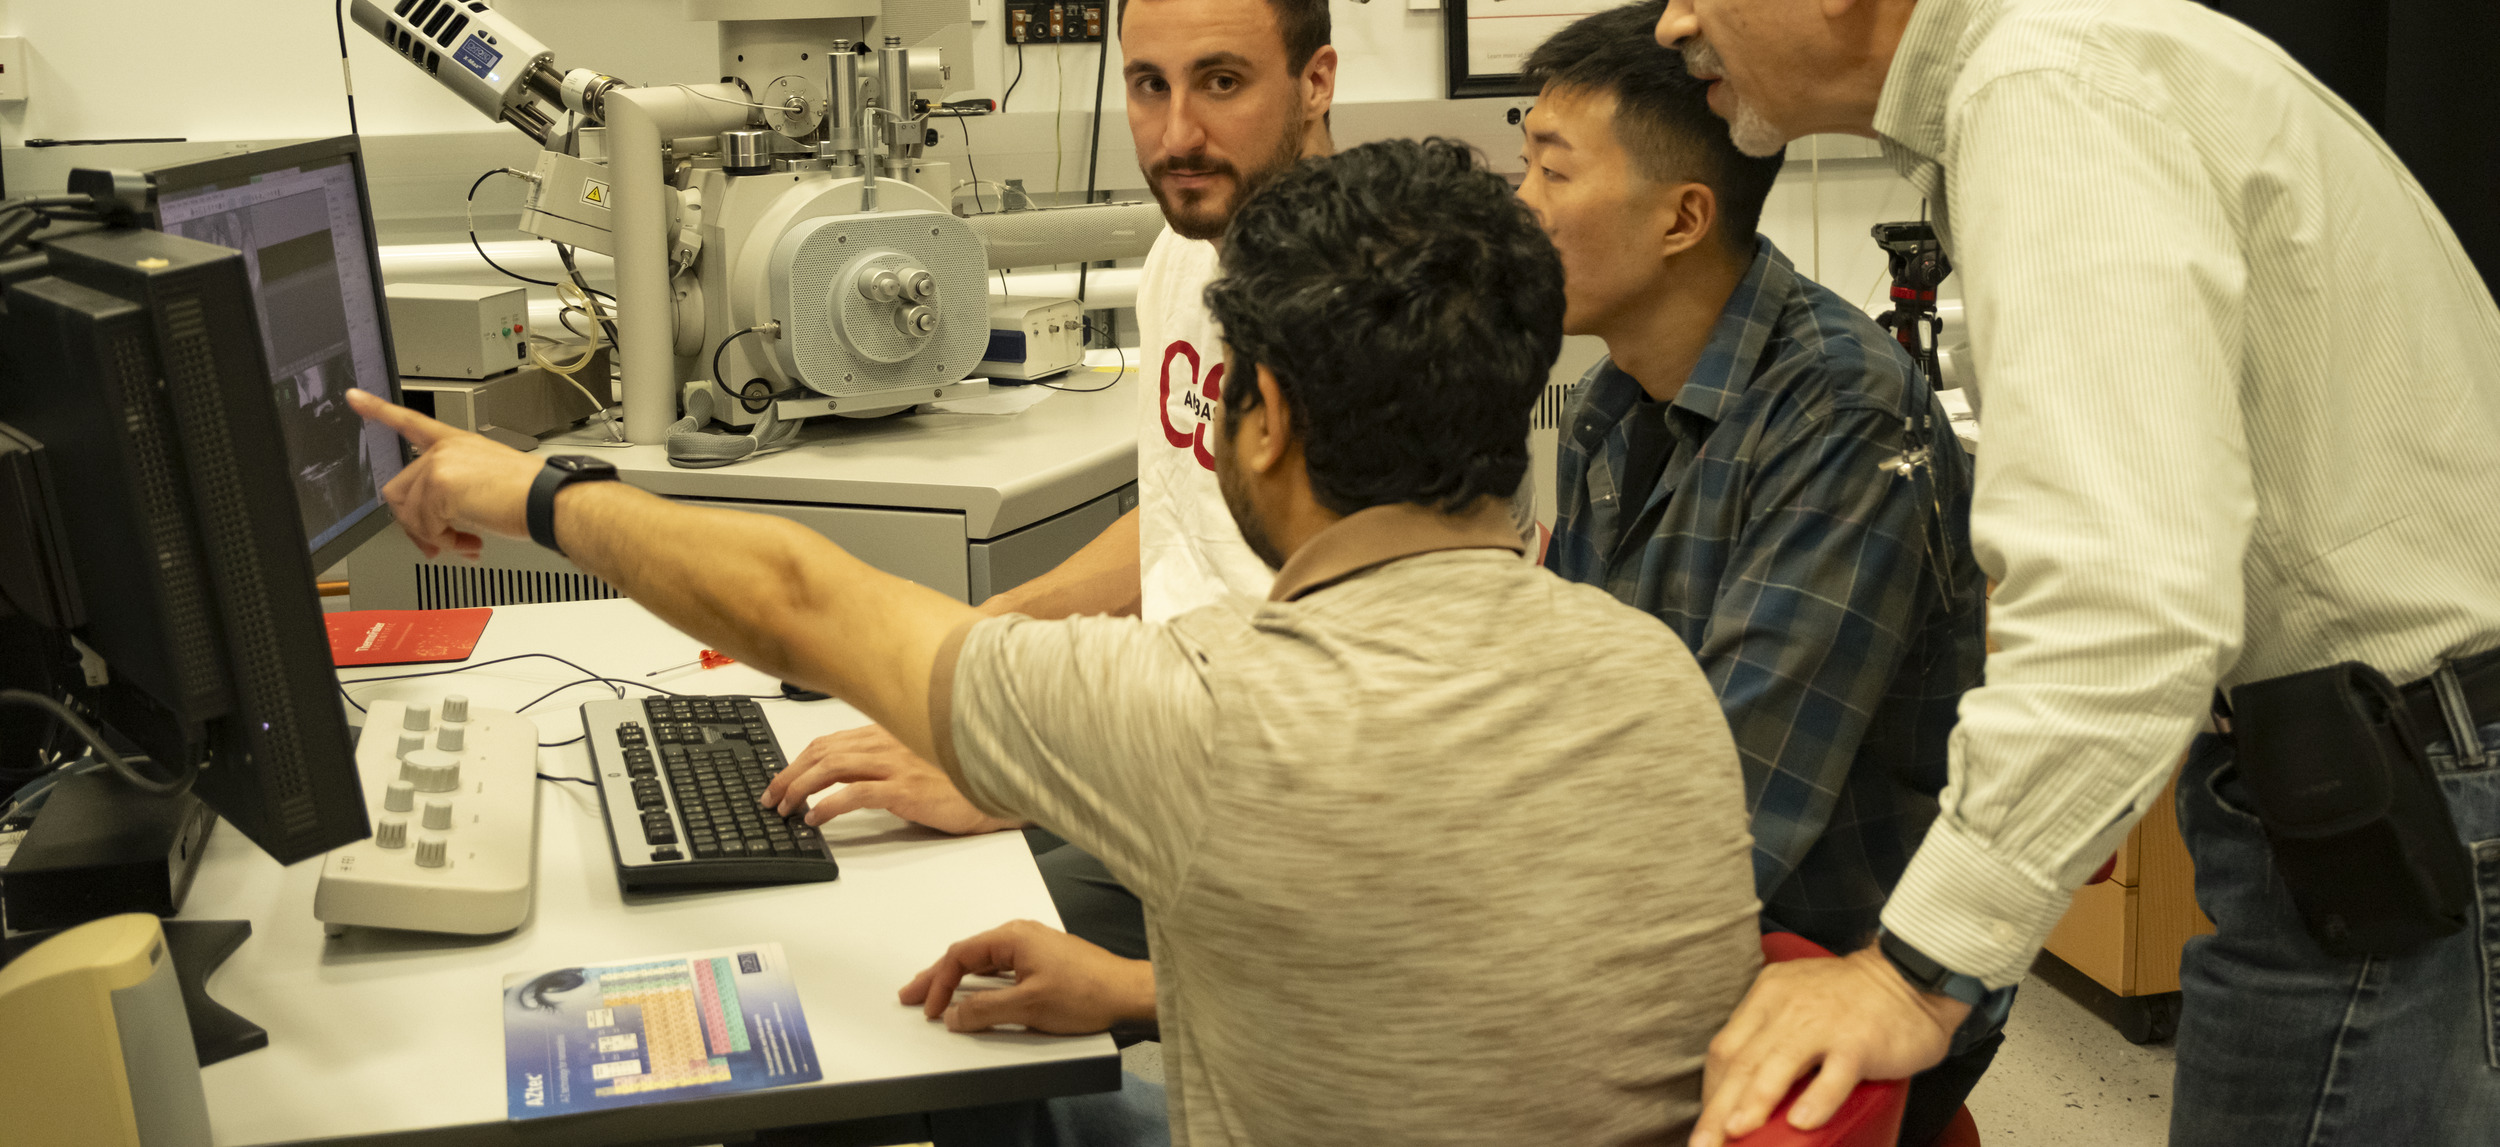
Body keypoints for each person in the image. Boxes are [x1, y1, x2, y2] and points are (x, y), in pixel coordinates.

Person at [347, 136, 1764, 1147]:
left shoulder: (1215, 712)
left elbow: (792, 595)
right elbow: (1475, 990)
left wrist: (534, 489)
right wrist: (1155, 991)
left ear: (1261, 418)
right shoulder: (1653, 674)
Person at [1626, 0, 2500, 1147]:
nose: (1673, 16)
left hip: (2393, 804)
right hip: (2376, 775)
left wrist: (1917, 965)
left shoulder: (2047, 95)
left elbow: (2128, 598)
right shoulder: (2073, 52)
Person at [756, 0, 1342, 981]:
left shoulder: (1365, 308)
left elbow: (1341, 682)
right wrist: (958, 658)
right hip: (1160, 770)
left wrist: (1019, 767)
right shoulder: (1186, 255)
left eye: (1221, 81)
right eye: (1148, 84)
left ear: (1315, 82)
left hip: (1271, 829)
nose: (1175, 135)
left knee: (911, 964)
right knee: (835, 893)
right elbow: (1173, 528)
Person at [1515, 0, 1991, 1146]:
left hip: (1828, 966)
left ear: (1682, 217)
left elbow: (1732, 823)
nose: (1520, 210)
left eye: (1549, 170)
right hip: (1655, 927)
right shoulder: (1617, 400)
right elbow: (1557, 719)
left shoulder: (1841, 417)